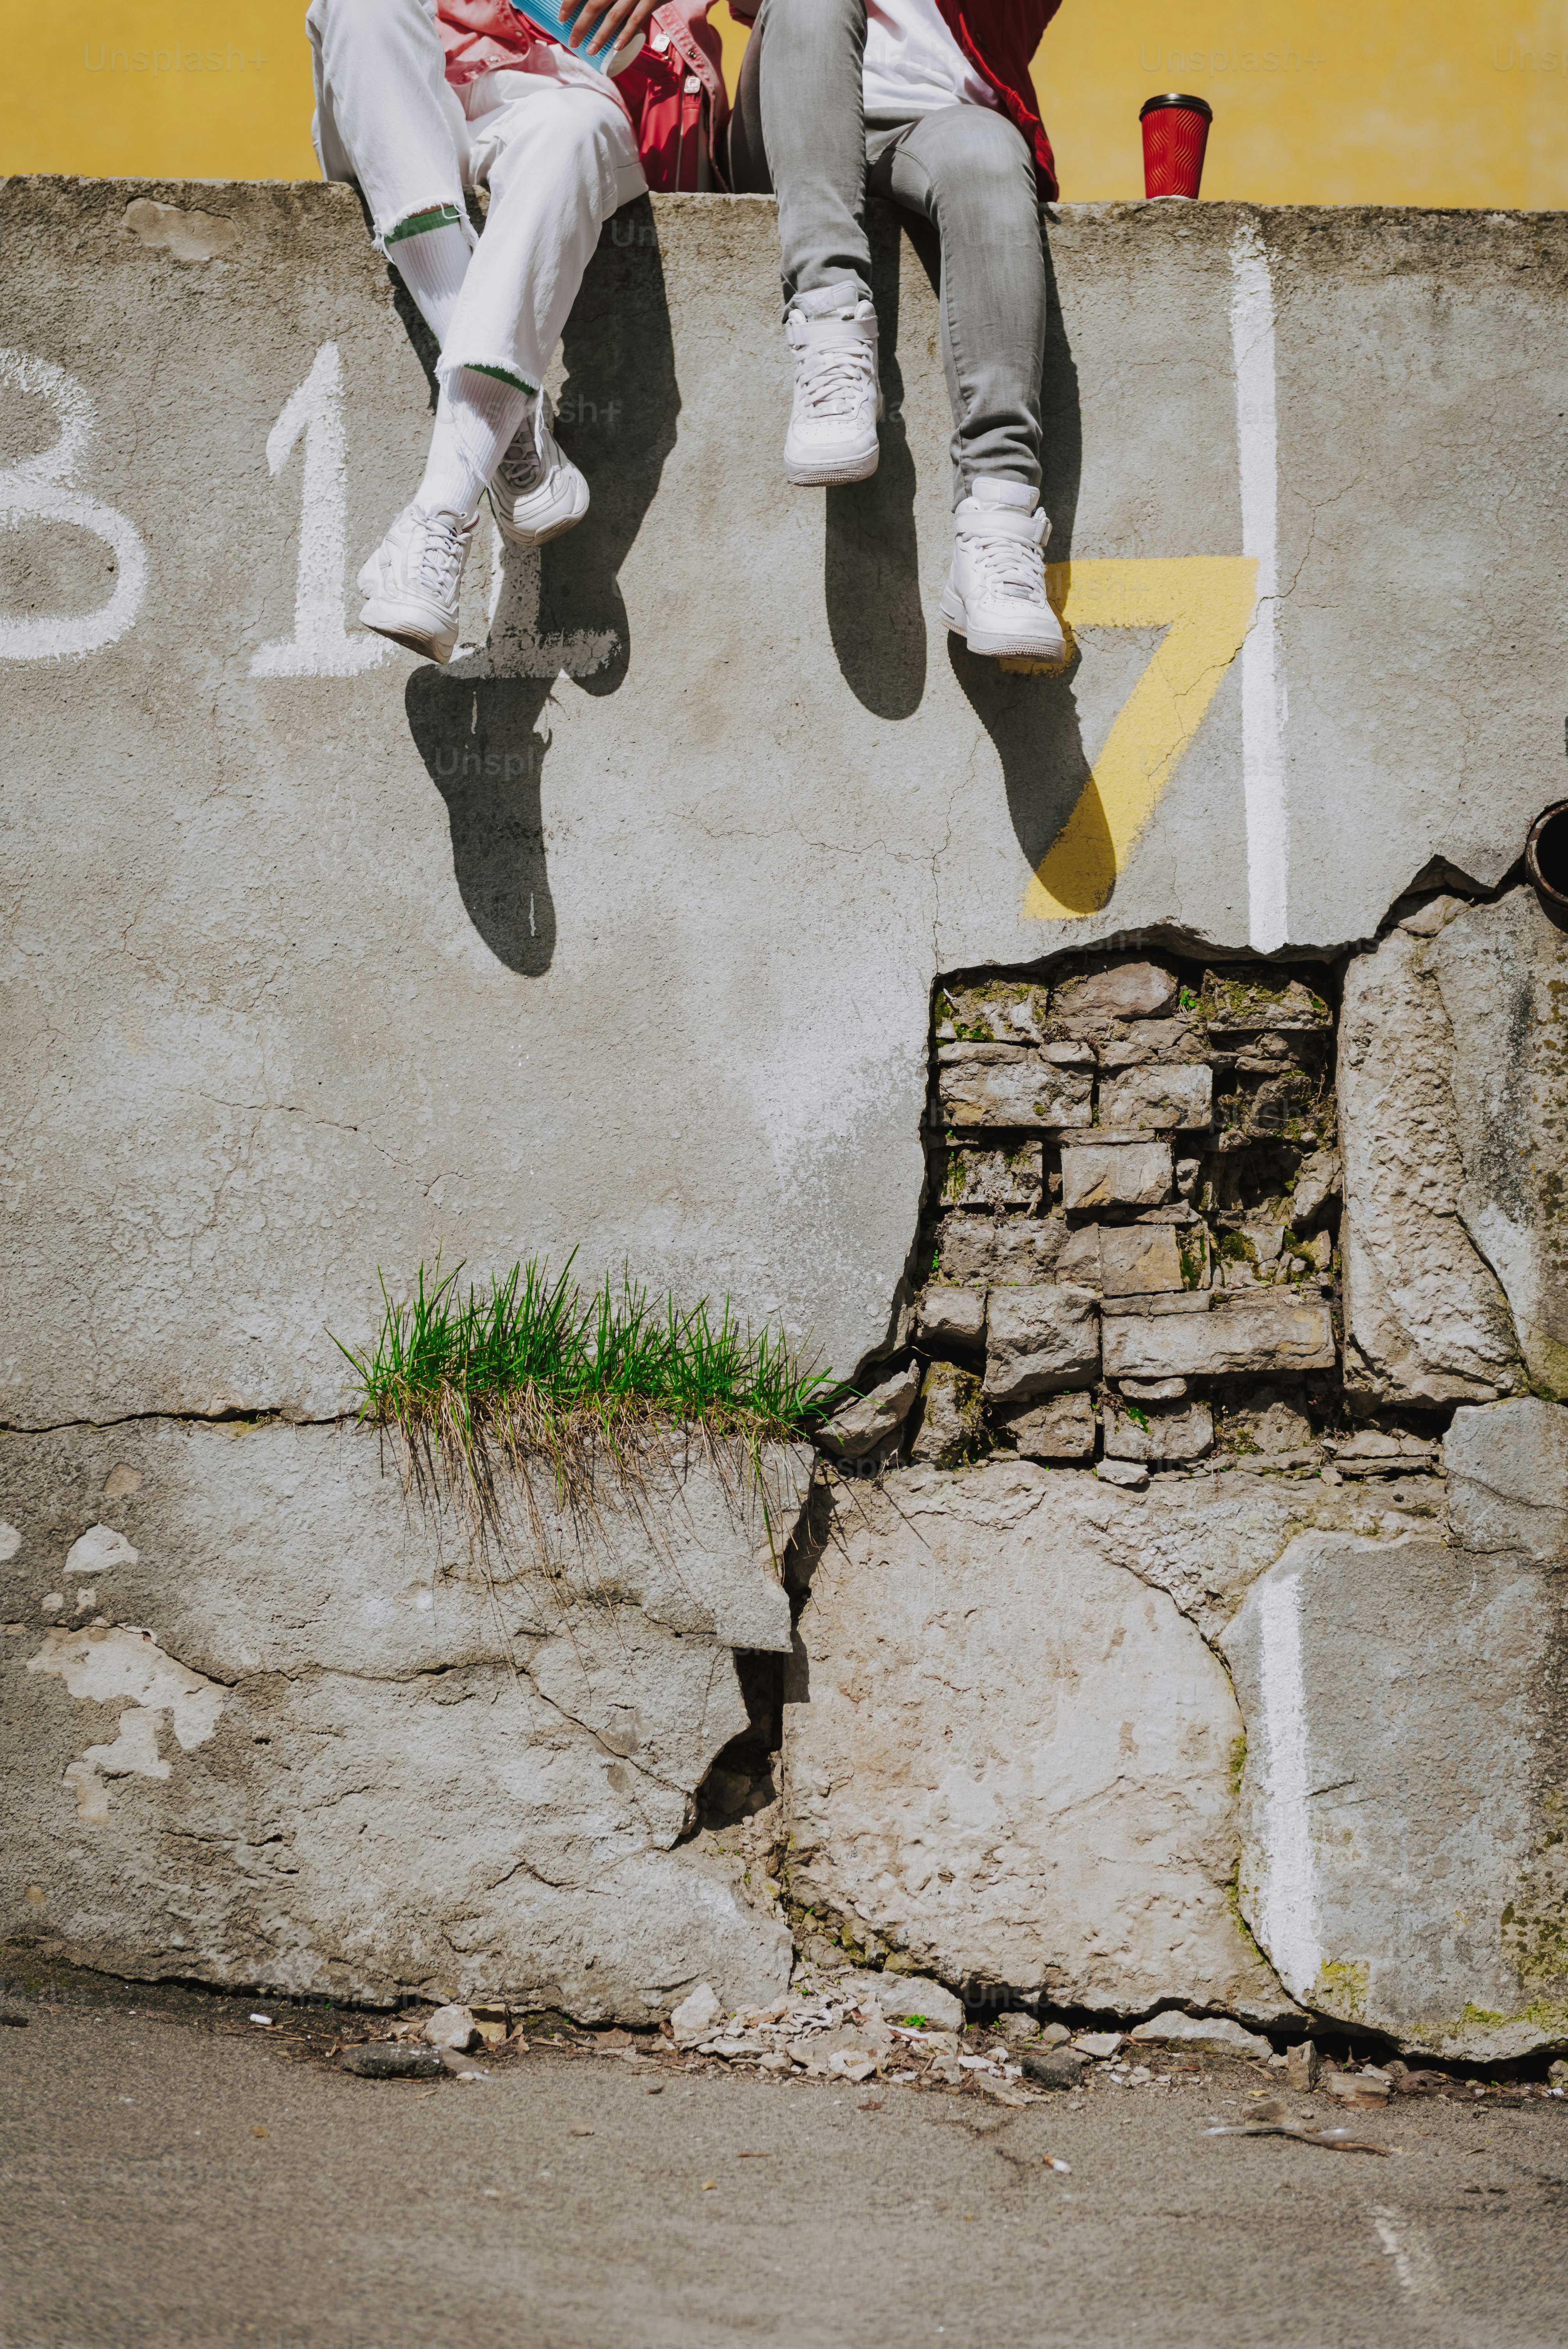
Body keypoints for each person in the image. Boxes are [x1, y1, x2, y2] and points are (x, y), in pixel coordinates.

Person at [309, 0, 715, 664]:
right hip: (394, 74)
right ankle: (513, 428)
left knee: (578, 126)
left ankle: (440, 513)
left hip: (552, 76)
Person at [727, 0, 1067, 664]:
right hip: (795, 112)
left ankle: (999, 518)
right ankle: (831, 332)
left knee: (992, 149)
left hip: (939, 118)